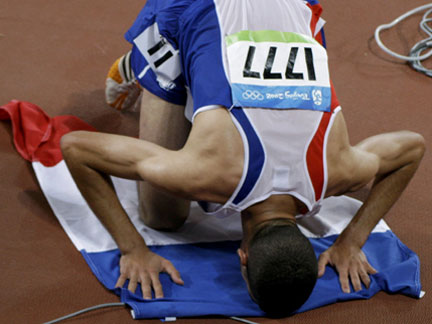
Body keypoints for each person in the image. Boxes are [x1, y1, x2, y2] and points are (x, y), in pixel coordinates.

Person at [61, 0, 425, 317]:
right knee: (161, 217)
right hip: (195, 6)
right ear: (242, 257)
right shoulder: (207, 173)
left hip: (288, 12)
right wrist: (133, 249)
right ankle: (141, 63)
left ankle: (200, 84)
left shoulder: (339, 170)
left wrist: (350, 241)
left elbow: (412, 147)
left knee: (178, 179)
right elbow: (76, 148)